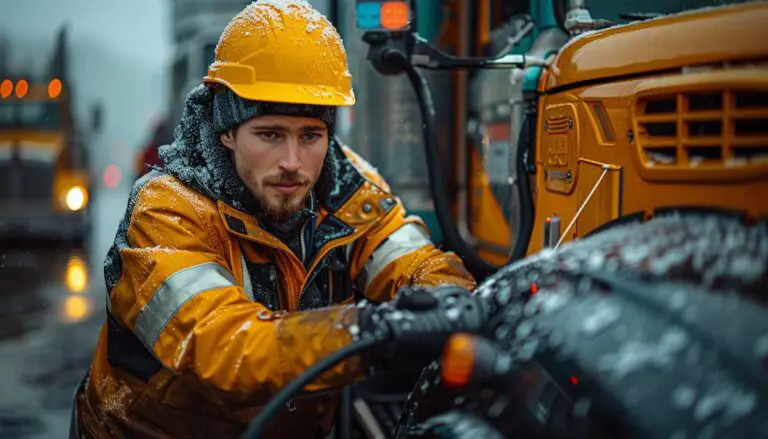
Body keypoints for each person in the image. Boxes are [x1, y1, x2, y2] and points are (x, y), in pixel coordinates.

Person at [71, 2, 477, 438]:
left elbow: (416, 263)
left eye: (310, 136)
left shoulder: (350, 191)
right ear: (226, 131)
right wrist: (367, 329)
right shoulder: (167, 210)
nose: (292, 162)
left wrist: (452, 301)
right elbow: (226, 349)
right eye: (270, 134)